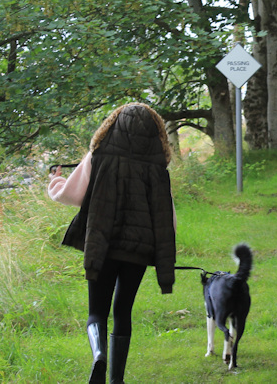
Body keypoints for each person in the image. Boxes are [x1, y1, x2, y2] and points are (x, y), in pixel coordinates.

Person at [48, 103, 177, 384]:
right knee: (123, 311)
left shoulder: (99, 154)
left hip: (102, 244)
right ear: (155, 132)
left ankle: (98, 357)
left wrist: (54, 181)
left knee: (97, 311)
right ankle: (117, 380)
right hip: (139, 250)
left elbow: (72, 194)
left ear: (113, 123)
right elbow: (168, 215)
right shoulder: (157, 164)